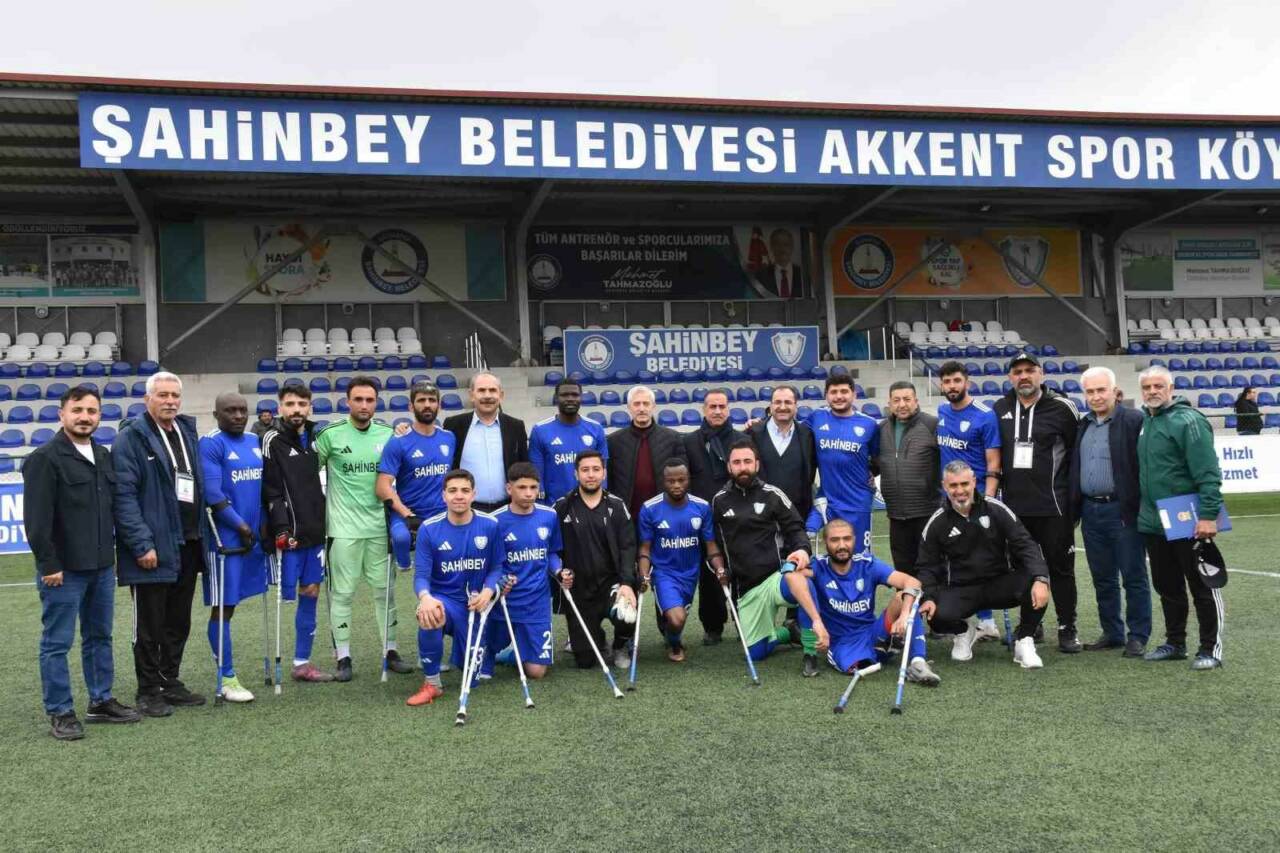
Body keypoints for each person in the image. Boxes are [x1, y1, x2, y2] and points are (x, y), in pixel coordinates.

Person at [26, 387, 140, 739]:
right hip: (64, 570)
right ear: (62, 414)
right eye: (77, 410)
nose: (85, 417)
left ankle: (100, 700)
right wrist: (49, 565)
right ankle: (60, 711)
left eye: (92, 411)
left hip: (102, 566)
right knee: (57, 643)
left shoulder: (103, 456)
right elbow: (37, 520)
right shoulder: (46, 458)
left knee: (99, 637)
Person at [112, 371, 208, 717]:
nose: (169, 401)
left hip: (188, 542)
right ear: (147, 399)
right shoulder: (131, 439)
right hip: (153, 547)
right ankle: (148, 689)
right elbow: (122, 496)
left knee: (178, 620)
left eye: (174, 395)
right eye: (162, 395)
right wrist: (141, 544)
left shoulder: (186, 431)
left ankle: (170, 680)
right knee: (149, 624)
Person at [315, 376, 411, 681]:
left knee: (386, 592)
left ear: (377, 402)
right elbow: (305, 475)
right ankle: (343, 656)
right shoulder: (329, 436)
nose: (364, 405)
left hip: (380, 528)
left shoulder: (389, 435)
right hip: (342, 529)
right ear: (347, 401)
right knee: (341, 594)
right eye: (358, 399)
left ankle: (391, 650)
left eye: (370, 400)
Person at [915, 460, 1052, 669]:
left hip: (999, 584)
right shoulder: (937, 522)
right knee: (936, 615)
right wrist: (929, 596)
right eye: (953, 486)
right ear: (944, 486)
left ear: (974, 482)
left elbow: (1026, 544)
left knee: (1035, 583)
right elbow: (926, 566)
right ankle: (964, 631)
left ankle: (1024, 640)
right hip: (962, 589)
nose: (960, 491)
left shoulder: (995, 508)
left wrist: (1041, 579)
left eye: (964, 484)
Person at [1135, 365, 1225, 670]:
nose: (1152, 391)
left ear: (1171, 388)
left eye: (1159, 386)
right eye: (1147, 387)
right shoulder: (1147, 422)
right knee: (1167, 586)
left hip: (1188, 518)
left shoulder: (1189, 420)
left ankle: (1210, 648)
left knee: (1202, 586)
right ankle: (1175, 643)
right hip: (1153, 522)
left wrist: (1209, 515)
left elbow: (1209, 473)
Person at [993, 351, 1082, 654]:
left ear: (1041, 373)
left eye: (1029, 370)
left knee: (1061, 571)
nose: (1024, 376)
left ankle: (1067, 627)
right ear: (1010, 377)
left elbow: (1076, 457)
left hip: (1054, 508)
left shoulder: (1062, 408)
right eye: (1017, 371)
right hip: (1016, 510)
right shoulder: (1000, 408)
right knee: (1024, 571)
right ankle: (1031, 626)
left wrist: (1073, 504)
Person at [710, 439, 824, 674]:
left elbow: (795, 528)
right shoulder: (719, 501)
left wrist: (802, 549)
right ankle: (787, 633)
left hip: (775, 579)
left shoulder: (773, 494)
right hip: (746, 589)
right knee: (756, 653)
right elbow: (714, 546)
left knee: (803, 582)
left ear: (757, 464)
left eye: (747, 461)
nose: (743, 467)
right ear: (729, 467)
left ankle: (810, 653)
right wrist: (719, 570)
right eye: (737, 462)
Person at [1069, 367, 1151, 657]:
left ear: (1114, 391)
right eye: (1090, 391)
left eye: (1101, 390)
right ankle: (1113, 632)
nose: (1096, 396)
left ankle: (1138, 635)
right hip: (1091, 512)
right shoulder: (1083, 424)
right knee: (1102, 576)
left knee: (1133, 575)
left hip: (1123, 510)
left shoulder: (1133, 420)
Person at [799, 518, 940, 685]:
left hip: (873, 633)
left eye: (847, 539)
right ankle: (888, 647)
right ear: (825, 543)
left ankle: (918, 663)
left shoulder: (867, 564)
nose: (842, 545)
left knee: (905, 596)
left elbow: (913, 582)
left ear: (854, 540)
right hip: (844, 644)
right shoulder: (817, 566)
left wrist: (903, 615)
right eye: (835, 540)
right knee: (858, 666)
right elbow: (792, 577)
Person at [408, 469, 506, 706]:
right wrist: (426, 598)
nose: (459, 496)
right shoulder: (429, 529)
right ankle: (433, 683)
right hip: (447, 601)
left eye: (464, 490)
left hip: (478, 605)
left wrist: (488, 590)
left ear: (474, 494)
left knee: (471, 678)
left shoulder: (490, 525)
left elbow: (497, 567)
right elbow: (421, 576)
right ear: (444, 496)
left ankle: (498, 652)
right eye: (452, 491)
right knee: (430, 613)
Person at [198, 392, 269, 703]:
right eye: (231, 411)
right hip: (226, 541)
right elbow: (212, 492)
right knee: (223, 608)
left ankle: (227, 673)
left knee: (234, 605)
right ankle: (226, 678)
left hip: (252, 539)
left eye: (242, 410)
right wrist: (240, 525)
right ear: (217, 415)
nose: (238, 416)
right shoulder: (211, 443)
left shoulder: (254, 441)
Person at [260, 384, 334, 682]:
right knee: (285, 597)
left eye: (302, 404)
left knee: (312, 591)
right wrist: (280, 527)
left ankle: (302, 663)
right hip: (288, 533)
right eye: (290, 404)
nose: (296, 409)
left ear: (310, 407)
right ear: (280, 408)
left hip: (316, 530)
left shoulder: (319, 437)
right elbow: (271, 490)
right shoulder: (271, 440)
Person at [934, 362, 1003, 642]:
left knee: (979, 560)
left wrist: (987, 500)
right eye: (947, 381)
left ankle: (987, 621)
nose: (952, 386)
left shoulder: (985, 416)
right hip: (947, 499)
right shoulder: (941, 412)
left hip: (975, 499)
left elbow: (993, 462)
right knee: (951, 559)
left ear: (967, 382)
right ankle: (959, 618)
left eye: (957, 380)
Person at [554, 450, 639, 670]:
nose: (590, 475)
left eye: (595, 469)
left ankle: (621, 644)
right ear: (576, 474)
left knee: (626, 614)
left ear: (604, 473)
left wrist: (627, 583)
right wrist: (559, 572)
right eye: (585, 470)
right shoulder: (563, 506)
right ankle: (596, 637)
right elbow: (552, 549)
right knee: (585, 661)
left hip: (611, 584)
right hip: (580, 590)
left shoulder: (617, 506)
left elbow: (628, 547)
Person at [637, 458, 724, 662]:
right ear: (663, 481)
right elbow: (645, 548)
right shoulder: (650, 508)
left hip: (691, 573)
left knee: (679, 618)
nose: (676, 485)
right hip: (664, 573)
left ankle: (672, 635)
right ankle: (674, 643)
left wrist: (720, 569)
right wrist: (643, 574)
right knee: (677, 619)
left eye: (681, 480)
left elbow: (711, 545)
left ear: (689, 480)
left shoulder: (701, 508)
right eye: (671, 481)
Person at [487, 462, 563, 679]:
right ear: (509, 488)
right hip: (504, 600)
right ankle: (499, 647)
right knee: (482, 670)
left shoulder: (549, 516)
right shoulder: (495, 521)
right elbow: (491, 564)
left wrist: (559, 572)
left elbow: (551, 553)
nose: (529, 493)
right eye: (522, 487)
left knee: (537, 672)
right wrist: (501, 580)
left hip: (537, 601)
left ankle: (516, 651)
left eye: (533, 487)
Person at [377, 381, 455, 570]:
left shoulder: (449, 438)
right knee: (401, 538)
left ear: (439, 405)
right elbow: (382, 486)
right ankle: (404, 565)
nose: (427, 404)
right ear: (411, 406)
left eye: (432, 400)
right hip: (408, 513)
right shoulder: (398, 442)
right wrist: (407, 514)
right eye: (421, 400)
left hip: (442, 512)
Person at [680, 389, 737, 646]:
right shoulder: (689, 441)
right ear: (704, 410)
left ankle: (744, 621)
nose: (717, 411)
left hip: (738, 517)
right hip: (703, 519)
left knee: (741, 570)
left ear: (728, 409)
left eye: (721, 406)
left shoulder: (742, 439)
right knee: (709, 576)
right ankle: (712, 626)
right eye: (712, 406)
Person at [806, 373, 879, 555]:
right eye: (834, 392)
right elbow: (790, 432)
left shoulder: (869, 424)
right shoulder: (817, 417)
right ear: (826, 395)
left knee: (859, 557)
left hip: (857, 503)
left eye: (844, 391)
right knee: (810, 540)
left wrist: (873, 472)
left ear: (854, 394)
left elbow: (880, 457)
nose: (839, 396)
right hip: (827, 500)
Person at [874, 380, 940, 575]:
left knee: (931, 570)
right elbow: (876, 462)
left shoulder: (932, 425)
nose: (902, 404)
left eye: (906, 399)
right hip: (895, 515)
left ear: (916, 401)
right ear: (890, 403)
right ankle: (907, 606)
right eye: (896, 400)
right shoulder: (882, 428)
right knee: (903, 573)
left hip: (927, 513)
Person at [444, 372, 528, 513]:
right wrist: (403, 429)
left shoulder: (516, 426)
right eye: (481, 390)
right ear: (472, 395)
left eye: (492, 390)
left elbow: (524, 465)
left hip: (507, 509)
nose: (487, 396)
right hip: (467, 511)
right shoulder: (453, 425)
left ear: (501, 395)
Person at [607, 385, 687, 521]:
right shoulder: (614, 441)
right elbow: (610, 481)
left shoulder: (672, 438)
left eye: (646, 403)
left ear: (653, 406)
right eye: (637, 404)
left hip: (664, 513)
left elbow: (684, 478)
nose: (642, 408)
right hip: (627, 515)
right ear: (629, 407)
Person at [529, 378, 607, 504]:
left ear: (581, 397)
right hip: (554, 505)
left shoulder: (596, 429)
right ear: (556, 398)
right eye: (564, 395)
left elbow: (603, 472)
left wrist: (601, 503)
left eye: (575, 395)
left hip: (589, 505)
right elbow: (537, 475)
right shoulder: (540, 430)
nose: (570, 398)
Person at [747, 385, 817, 521]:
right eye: (778, 402)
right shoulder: (753, 433)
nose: (783, 407)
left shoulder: (807, 435)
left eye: (788, 402)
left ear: (796, 406)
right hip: (759, 517)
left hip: (797, 516)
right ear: (771, 406)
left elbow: (811, 472)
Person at [752, 228, 804, 299]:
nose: (782, 249)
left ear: (792, 247)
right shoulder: (761, 275)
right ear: (771, 247)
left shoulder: (803, 274)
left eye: (786, 244)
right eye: (777, 244)